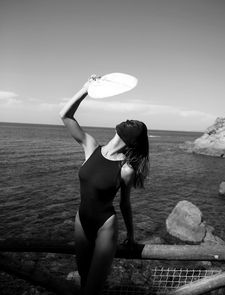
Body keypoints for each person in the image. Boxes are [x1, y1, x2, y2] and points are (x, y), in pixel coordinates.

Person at [59, 75, 149, 295]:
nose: (129, 120)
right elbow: (65, 115)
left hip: (104, 227)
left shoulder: (126, 169)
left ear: (131, 139)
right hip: (81, 220)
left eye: (133, 125)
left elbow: (125, 204)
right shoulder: (91, 147)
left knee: (93, 289)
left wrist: (131, 234)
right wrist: (86, 89)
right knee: (83, 278)